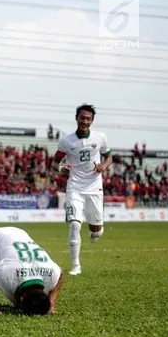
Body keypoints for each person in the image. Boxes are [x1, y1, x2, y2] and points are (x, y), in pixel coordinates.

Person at [52, 104, 112, 276]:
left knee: (97, 232)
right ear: (76, 118)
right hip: (75, 187)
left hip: (94, 187)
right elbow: (55, 163)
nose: (85, 121)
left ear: (92, 121)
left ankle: (95, 232)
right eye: (82, 118)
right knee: (74, 224)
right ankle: (76, 265)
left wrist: (103, 166)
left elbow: (109, 156)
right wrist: (61, 169)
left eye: (88, 119)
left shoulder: (100, 137)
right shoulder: (66, 141)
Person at [0, 227, 63, 315]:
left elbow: (60, 273)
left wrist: (51, 304)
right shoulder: (7, 272)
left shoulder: (52, 273)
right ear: (21, 299)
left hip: (20, 235)